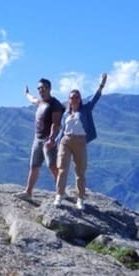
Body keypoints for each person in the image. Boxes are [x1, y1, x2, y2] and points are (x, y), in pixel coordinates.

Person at [55, 73, 107, 210]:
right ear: (69, 100)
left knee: (80, 172)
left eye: (76, 97)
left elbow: (95, 98)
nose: (74, 100)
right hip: (66, 141)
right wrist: (55, 141)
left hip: (80, 141)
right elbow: (62, 129)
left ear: (80, 99)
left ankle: (80, 199)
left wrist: (101, 84)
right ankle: (59, 195)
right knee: (62, 169)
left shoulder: (86, 109)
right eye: (72, 97)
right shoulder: (66, 114)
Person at [23, 78, 64, 200]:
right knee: (34, 166)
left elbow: (56, 124)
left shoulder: (55, 104)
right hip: (37, 138)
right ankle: (28, 192)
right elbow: (32, 99)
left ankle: (61, 191)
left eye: (43, 88)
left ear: (49, 89)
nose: (41, 90)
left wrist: (51, 139)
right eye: (39, 88)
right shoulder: (40, 102)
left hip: (48, 140)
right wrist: (27, 93)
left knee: (52, 166)